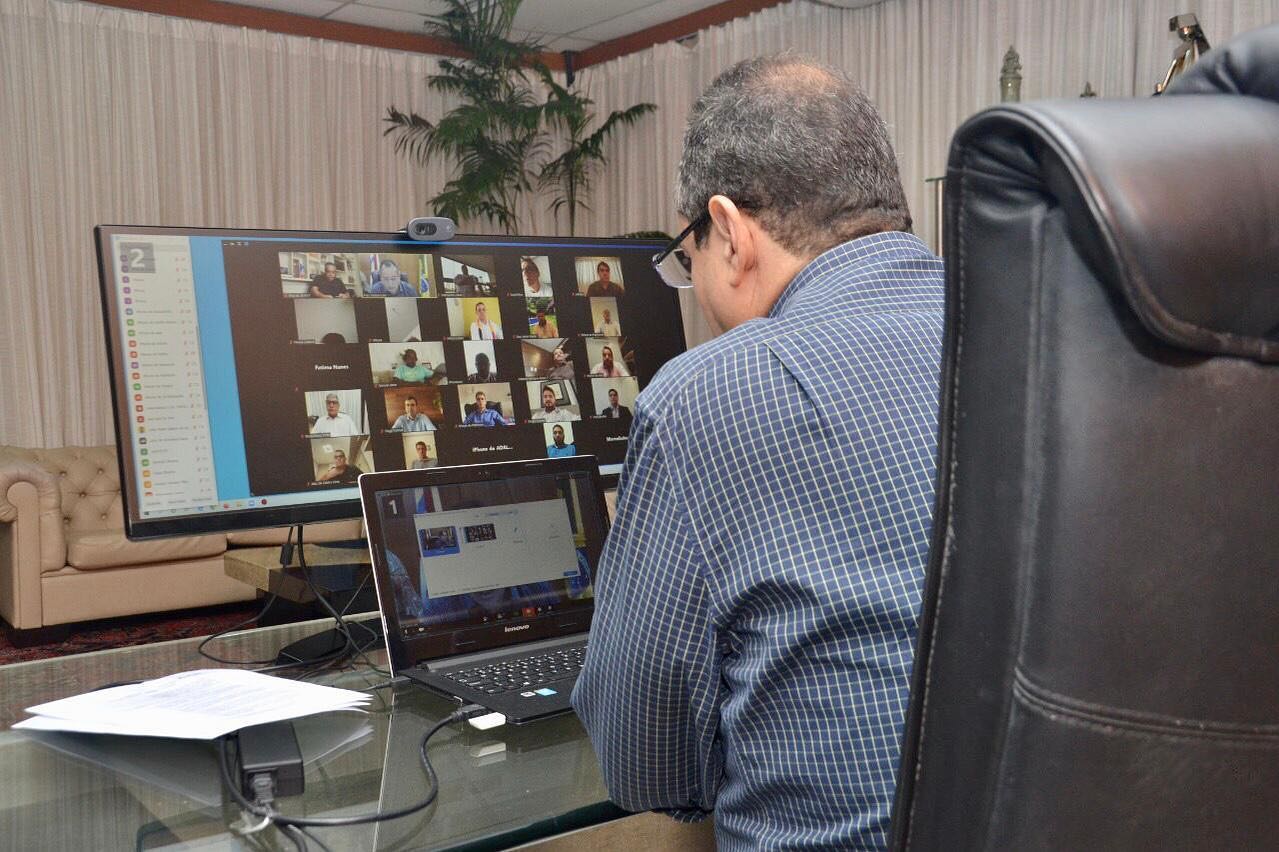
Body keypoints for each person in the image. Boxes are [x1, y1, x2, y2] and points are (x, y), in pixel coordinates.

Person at [571, 55, 944, 849]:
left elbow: (644, 768)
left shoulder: (707, 393)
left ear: (730, 231)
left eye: (688, 256)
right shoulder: (1046, 334)